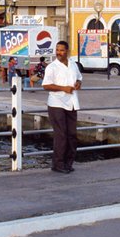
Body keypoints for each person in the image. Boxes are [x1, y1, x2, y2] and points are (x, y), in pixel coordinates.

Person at [41, 40, 82, 174]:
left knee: (72, 134)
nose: (59, 53)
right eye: (57, 50)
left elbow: (79, 78)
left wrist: (78, 83)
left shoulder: (73, 65)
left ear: (67, 51)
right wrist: (63, 88)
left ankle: (68, 163)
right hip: (56, 103)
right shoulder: (51, 67)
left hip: (72, 103)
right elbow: (46, 85)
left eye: (61, 50)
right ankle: (57, 164)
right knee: (61, 135)